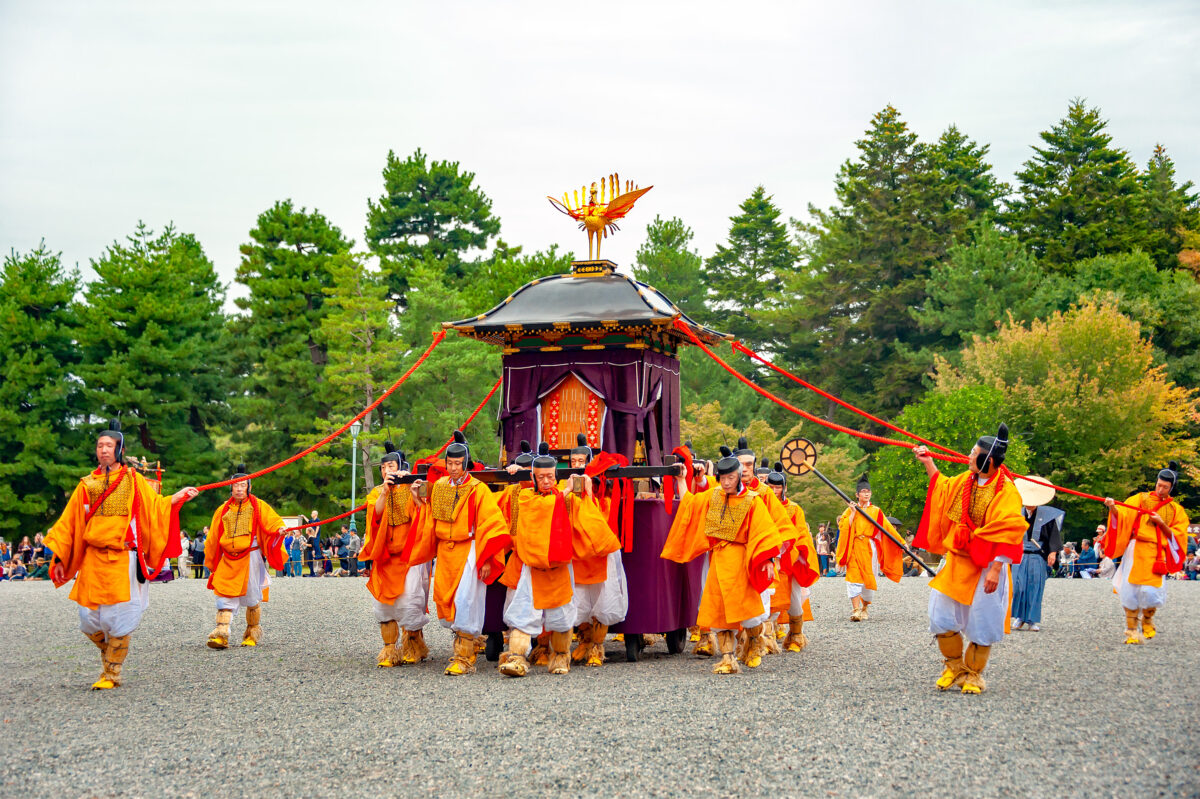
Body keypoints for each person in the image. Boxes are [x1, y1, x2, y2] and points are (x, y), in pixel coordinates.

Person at [44, 418, 199, 689]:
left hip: (122, 557)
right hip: (93, 558)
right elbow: (70, 523)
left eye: (109, 445)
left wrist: (176, 498)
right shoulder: (86, 484)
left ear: (120, 449)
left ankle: (112, 672)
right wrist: (59, 558)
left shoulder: (133, 480)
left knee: (120, 615)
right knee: (88, 618)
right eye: (100, 445)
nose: (104, 450)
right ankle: (112, 653)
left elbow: (155, 508)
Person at [912, 424, 1026, 695]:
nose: (968, 456)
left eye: (973, 453)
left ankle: (974, 674)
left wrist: (996, 568)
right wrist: (929, 463)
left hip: (987, 561)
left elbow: (1009, 529)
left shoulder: (1006, 491)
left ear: (987, 459)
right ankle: (954, 666)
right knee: (939, 614)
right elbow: (943, 488)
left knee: (982, 619)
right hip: (958, 558)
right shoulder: (965, 480)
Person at [496, 443, 621, 677]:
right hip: (532, 568)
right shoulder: (526, 497)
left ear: (556, 477)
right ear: (533, 478)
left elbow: (586, 517)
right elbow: (539, 512)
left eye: (550, 477)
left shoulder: (565, 496)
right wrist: (563, 494)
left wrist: (587, 493)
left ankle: (560, 657)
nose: (546, 481)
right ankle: (516, 658)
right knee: (524, 614)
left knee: (563, 617)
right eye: (541, 477)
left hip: (561, 567)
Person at [661, 448, 781, 674]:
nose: (726, 483)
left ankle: (754, 647)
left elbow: (764, 531)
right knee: (718, 610)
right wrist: (680, 480)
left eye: (731, 478)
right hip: (716, 559)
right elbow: (690, 504)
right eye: (723, 478)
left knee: (746, 610)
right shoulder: (713, 496)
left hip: (740, 560)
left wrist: (767, 559)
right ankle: (727, 658)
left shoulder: (753, 500)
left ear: (738, 477)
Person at [408, 430, 510, 676]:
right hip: (445, 551)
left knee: (467, 600)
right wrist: (416, 495)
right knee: (446, 598)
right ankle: (467, 645)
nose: (453, 468)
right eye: (450, 463)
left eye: (457, 464)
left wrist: (486, 558)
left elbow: (491, 525)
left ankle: (463, 658)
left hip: (471, 550)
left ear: (466, 463)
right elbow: (426, 512)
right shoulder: (440, 486)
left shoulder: (479, 489)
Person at [560, 434, 629, 668]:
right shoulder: (564, 485)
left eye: (582, 461)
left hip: (599, 550)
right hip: (574, 552)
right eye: (574, 461)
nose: (578, 465)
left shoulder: (603, 485)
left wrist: (589, 494)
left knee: (602, 598)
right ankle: (584, 641)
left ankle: (598, 648)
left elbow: (604, 515)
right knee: (578, 598)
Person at [1102, 462, 1189, 644]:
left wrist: (1162, 524)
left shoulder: (1176, 510)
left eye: (1165, 487)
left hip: (1157, 553)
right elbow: (1123, 515)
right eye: (1159, 485)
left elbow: (1179, 535)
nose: (1160, 489)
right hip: (1136, 549)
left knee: (1151, 592)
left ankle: (1148, 619)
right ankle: (1132, 630)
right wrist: (1112, 507)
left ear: (1171, 488)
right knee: (1130, 590)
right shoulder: (1140, 499)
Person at [203, 464, 288, 649]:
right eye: (236, 485)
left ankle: (252, 632)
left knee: (251, 598)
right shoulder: (222, 509)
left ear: (249, 486)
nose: (239, 489)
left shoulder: (258, 506)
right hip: (228, 559)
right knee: (223, 596)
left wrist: (279, 530)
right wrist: (211, 559)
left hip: (250, 558)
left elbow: (273, 522)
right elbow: (213, 538)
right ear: (231, 487)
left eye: (243, 485)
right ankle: (221, 633)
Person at [362, 442, 430, 667]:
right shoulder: (376, 492)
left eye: (390, 466)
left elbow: (422, 513)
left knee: (410, 601)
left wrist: (412, 489)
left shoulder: (412, 486)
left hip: (408, 556)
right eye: (382, 468)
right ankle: (390, 650)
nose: (386, 471)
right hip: (385, 557)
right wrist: (385, 491)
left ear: (401, 466)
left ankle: (413, 645)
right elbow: (375, 514)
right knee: (384, 605)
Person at [762, 462, 819, 652]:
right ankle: (766, 639)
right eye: (771, 487)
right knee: (768, 600)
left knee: (794, 601)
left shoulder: (794, 509)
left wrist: (794, 553)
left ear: (785, 488)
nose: (775, 491)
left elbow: (801, 533)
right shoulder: (760, 506)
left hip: (788, 560)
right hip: (767, 558)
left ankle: (796, 635)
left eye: (778, 487)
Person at [834, 476, 904, 621]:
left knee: (868, 578)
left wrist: (901, 542)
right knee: (853, 577)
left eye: (868, 492)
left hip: (868, 547)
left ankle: (864, 608)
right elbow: (843, 526)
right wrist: (853, 513)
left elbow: (887, 528)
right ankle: (855, 609)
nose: (866, 494)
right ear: (857, 494)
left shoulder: (875, 511)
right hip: (854, 546)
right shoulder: (850, 510)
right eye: (863, 492)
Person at [1010, 476, 1063, 632]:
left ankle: (1032, 620)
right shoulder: (1016, 513)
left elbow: (1053, 537)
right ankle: (1019, 617)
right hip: (1019, 555)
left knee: (1035, 586)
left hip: (1037, 556)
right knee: (1019, 587)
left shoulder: (1047, 516)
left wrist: (1052, 552)